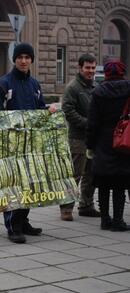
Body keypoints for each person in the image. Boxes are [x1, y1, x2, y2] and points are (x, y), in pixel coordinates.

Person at [0, 42, 55, 244]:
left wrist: (47, 111)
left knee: (29, 184)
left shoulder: (35, 85)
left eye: (27, 57)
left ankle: (23, 220)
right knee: (13, 185)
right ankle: (13, 226)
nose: (23, 61)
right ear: (14, 60)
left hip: (31, 144)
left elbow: (39, 111)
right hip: (10, 145)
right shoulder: (3, 84)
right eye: (20, 57)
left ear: (31, 60)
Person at [86, 60, 130, 232]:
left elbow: (92, 122)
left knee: (103, 183)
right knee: (120, 184)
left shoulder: (98, 92)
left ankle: (105, 220)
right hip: (123, 140)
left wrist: (90, 144)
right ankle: (118, 221)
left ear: (106, 73)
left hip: (102, 141)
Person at [60, 54, 100, 221]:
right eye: (87, 68)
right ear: (80, 67)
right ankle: (66, 208)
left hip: (92, 138)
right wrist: (87, 123)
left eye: (92, 68)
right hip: (77, 138)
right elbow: (68, 111)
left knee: (91, 173)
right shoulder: (73, 87)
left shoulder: (94, 87)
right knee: (75, 174)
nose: (90, 71)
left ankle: (86, 205)